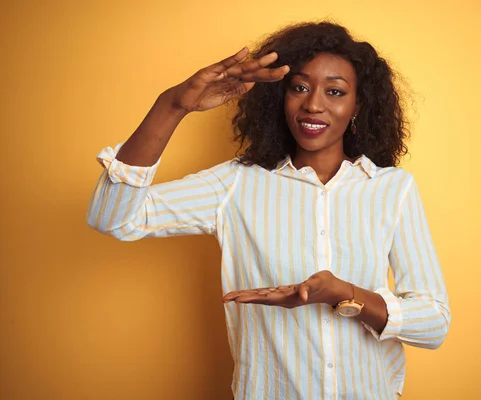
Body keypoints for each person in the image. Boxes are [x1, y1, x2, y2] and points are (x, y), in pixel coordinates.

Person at [87, 21, 451, 400]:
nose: (313, 104)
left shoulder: (392, 189)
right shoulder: (236, 184)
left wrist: (344, 294)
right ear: (281, 95)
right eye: (300, 87)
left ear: (357, 105)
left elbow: (433, 323)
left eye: (335, 91)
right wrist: (173, 105)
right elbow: (113, 217)